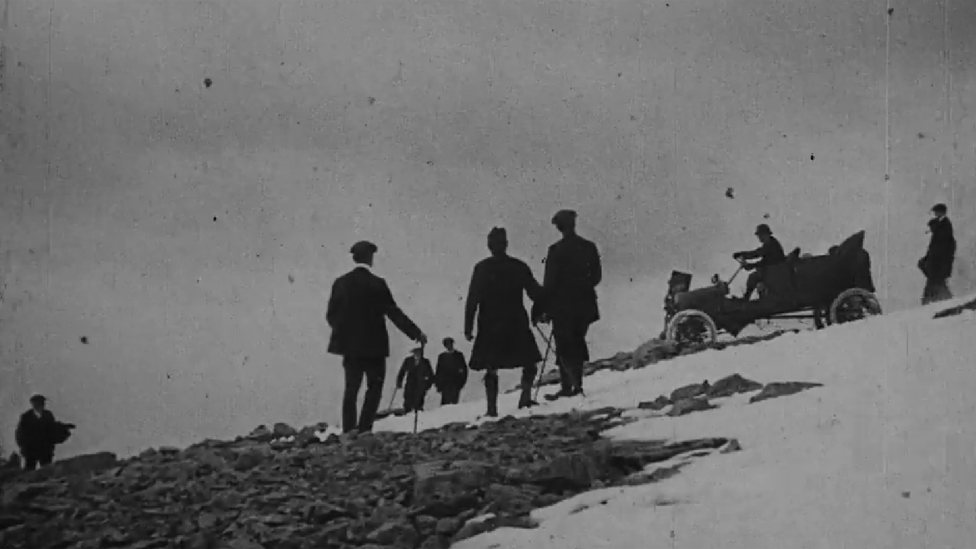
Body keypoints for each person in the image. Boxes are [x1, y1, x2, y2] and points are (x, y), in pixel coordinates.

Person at [327, 240, 427, 434]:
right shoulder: (377, 284)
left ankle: (348, 430)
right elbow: (394, 313)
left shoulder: (341, 283)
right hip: (375, 347)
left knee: (351, 388)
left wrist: (345, 333)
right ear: (370, 258)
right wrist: (416, 333)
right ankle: (365, 428)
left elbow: (331, 315)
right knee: (374, 387)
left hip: (350, 347)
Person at [465, 227, 546, 417]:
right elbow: (536, 293)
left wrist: (468, 327)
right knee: (529, 362)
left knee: (491, 367)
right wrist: (545, 307)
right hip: (515, 322)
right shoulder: (518, 266)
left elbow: (472, 300)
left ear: (489, 246)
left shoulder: (482, 268)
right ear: (506, 244)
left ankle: (492, 409)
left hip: (490, 325)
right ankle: (525, 398)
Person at [534, 210, 602, 402]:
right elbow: (596, 276)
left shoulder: (556, 250)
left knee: (564, 345)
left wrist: (544, 308)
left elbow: (549, 283)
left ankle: (567, 387)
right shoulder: (588, 247)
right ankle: (577, 384)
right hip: (585, 305)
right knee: (577, 341)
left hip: (562, 307)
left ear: (559, 227)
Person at [15, 395, 75, 471]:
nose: (41, 405)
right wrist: (24, 447)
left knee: (47, 470)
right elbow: (20, 434)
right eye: (38, 403)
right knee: (29, 471)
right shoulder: (26, 417)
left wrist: (65, 427)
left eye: (42, 403)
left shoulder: (48, 415)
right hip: (30, 450)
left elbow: (53, 427)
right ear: (33, 404)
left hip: (45, 449)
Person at [733, 223, 786, 301]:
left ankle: (746, 299)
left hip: (774, 272)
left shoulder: (770, 244)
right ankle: (752, 298)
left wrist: (742, 255)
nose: (759, 237)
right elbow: (764, 260)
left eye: (760, 235)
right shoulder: (770, 243)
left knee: (753, 277)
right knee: (754, 277)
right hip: (773, 271)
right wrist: (751, 265)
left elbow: (757, 254)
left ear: (765, 234)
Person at [918, 203, 956, 305]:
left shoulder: (944, 225)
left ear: (941, 212)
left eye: (936, 211)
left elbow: (941, 248)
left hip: (938, 264)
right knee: (938, 284)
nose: (935, 213)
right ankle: (948, 301)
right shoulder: (942, 225)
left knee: (934, 284)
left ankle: (926, 303)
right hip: (937, 264)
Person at [395, 347, 435, 413]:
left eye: (419, 352)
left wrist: (427, 385)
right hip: (410, 385)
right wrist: (399, 382)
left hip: (420, 386)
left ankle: (418, 414)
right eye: (416, 352)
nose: (417, 354)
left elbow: (431, 375)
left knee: (418, 402)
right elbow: (402, 372)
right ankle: (406, 414)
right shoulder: (408, 360)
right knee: (408, 401)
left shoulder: (425, 362)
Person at [434, 337, 468, 406]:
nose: (449, 346)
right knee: (445, 404)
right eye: (447, 344)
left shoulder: (458, 355)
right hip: (445, 385)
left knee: (454, 404)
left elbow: (464, 370)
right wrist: (438, 385)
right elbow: (439, 371)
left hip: (455, 384)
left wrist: (461, 383)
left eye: (450, 344)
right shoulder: (442, 357)